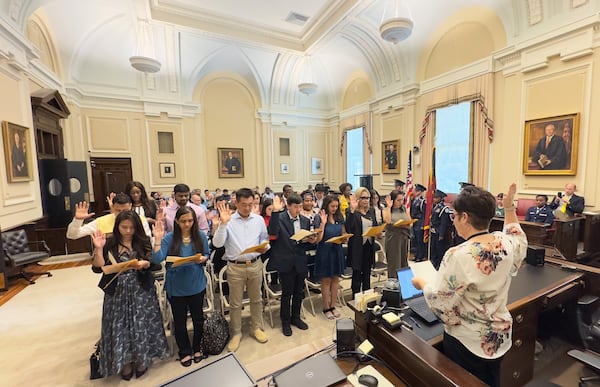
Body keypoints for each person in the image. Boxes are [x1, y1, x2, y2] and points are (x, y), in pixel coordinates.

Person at [412, 184, 527, 387]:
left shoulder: (459, 254)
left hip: (469, 342)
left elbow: (440, 302)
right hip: (500, 336)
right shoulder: (504, 243)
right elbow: (518, 237)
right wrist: (509, 209)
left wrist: (423, 284)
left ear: (464, 217)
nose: (453, 221)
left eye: (454, 216)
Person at [91, 211, 169, 380]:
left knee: (141, 323)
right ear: (117, 226)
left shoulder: (142, 241)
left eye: (131, 228)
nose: (127, 231)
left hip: (141, 289)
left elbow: (154, 263)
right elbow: (98, 268)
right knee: (120, 326)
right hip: (117, 291)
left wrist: (146, 263)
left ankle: (142, 359)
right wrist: (98, 249)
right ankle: (124, 362)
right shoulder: (109, 242)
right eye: (124, 227)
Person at [212, 188, 270, 351]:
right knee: (235, 303)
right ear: (236, 203)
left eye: (250, 205)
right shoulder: (228, 220)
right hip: (235, 266)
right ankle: (236, 332)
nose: (247, 208)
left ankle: (256, 328)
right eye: (243, 205)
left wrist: (265, 247)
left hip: (254, 263)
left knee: (256, 299)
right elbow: (217, 244)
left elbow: (264, 238)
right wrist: (222, 224)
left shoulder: (258, 220)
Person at [152, 206, 210, 367]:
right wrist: (157, 239)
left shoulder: (200, 236)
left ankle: (197, 347)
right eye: (183, 221)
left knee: (198, 319)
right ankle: (184, 351)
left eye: (190, 221)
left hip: (196, 282)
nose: (187, 224)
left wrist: (203, 259)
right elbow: (157, 259)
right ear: (176, 221)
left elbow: (207, 253)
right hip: (177, 286)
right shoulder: (169, 238)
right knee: (179, 320)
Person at [268, 194, 323, 336]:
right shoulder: (279, 218)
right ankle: (285, 322)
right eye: (296, 207)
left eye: (300, 207)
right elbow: (272, 234)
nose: (298, 209)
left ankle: (296, 317)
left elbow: (307, 239)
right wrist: (274, 212)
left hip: (300, 260)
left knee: (299, 292)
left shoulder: (304, 220)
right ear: (288, 206)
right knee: (287, 294)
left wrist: (311, 239)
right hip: (285, 260)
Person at [313, 195, 348, 319]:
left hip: (336, 250)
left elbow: (343, 233)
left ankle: (333, 305)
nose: (334, 208)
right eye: (332, 206)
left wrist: (344, 238)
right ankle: (326, 307)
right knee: (326, 280)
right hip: (325, 252)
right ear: (326, 205)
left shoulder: (339, 217)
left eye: (336, 206)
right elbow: (318, 239)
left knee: (335, 279)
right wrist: (322, 224)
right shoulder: (319, 217)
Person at [67, 193, 152, 239]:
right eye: (118, 210)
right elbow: (72, 235)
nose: (122, 214)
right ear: (112, 207)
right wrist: (77, 220)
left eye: (125, 210)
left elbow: (148, 241)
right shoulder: (101, 221)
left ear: (130, 206)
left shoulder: (141, 220)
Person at [345, 187, 379, 296]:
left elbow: (375, 226)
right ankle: (356, 296)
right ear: (358, 199)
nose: (365, 200)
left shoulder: (371, 211)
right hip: (357, 247)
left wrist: (378, 232)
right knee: (357, 273)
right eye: (363, 198)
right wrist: (352, 211)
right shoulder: (352, 212)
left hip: (369, 246)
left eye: (368, 198)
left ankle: (366, 295)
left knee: (367, 272)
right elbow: (348, 228)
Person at [383, 190, 411, 277]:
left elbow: (410, 222)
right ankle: (393, 284)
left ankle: (404, 284)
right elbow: (388, 221)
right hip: (393, 238)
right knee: (394, 262)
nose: (401, 202)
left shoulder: (404, 208)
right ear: (393, 200)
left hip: (403, 236)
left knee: (403, 262)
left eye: (402, 200)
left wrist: (406, 224)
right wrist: (388, 206)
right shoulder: (386, 210)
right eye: (398, 200)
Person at [430, 190, 452, 270]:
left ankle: (439, 264)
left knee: (440, 250)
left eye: (436, 198)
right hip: (434, 231)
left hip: (439, 232)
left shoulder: (444, 209)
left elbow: (444, 223)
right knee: (434, 248)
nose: (434, 199)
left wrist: (441, 234)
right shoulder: (435, 206)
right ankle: (434, 262)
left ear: (440, 198)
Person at [410, 184, 427, 262]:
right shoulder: (413, 200)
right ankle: (416, 254)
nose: (414, 191)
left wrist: (422, 225)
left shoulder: (422, 201)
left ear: (420, 192)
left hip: (419, 222)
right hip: (414, 222)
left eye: (416, 190)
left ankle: (420, 256)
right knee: (415, 240)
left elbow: (424, 214)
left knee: (420, 241)